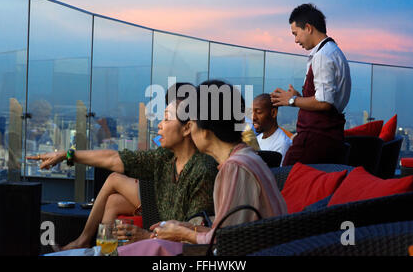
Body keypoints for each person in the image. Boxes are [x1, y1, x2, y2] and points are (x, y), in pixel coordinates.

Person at [27, 82, 218, 250]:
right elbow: (113, 158)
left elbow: (195, 238)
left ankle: (85, 243)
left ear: (187, 127)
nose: (159, 125)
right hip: (161, 235)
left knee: (114, 182)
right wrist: (66, 154)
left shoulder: (202, 170)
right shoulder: (165, 157)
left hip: (169, 247)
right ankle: (99, 248)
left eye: (166, 118)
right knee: (113, 201)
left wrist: (147, 237)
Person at [115, 80, 287, 256]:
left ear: (206, 129)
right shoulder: (247, 158)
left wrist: (182, 233)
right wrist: (191, 228)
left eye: (193, 122)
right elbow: (231, 231)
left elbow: (225, 243)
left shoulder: (234, 169)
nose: (190, 129)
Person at [271, 3, 351, 166]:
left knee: (284, 182)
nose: (296, 40)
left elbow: (324, 102)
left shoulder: (323, 56)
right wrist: (301, 98)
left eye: (296, 34)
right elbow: (325, 98)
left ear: (308, 28)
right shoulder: (333, 51)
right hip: (328, 139)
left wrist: (291, 101)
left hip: (315, 140)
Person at [252, 93, 292, 163]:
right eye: (252, 112)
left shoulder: (282, 144)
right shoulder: (257, 139)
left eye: (258, 112)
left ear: (273, 113)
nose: (253, 118)